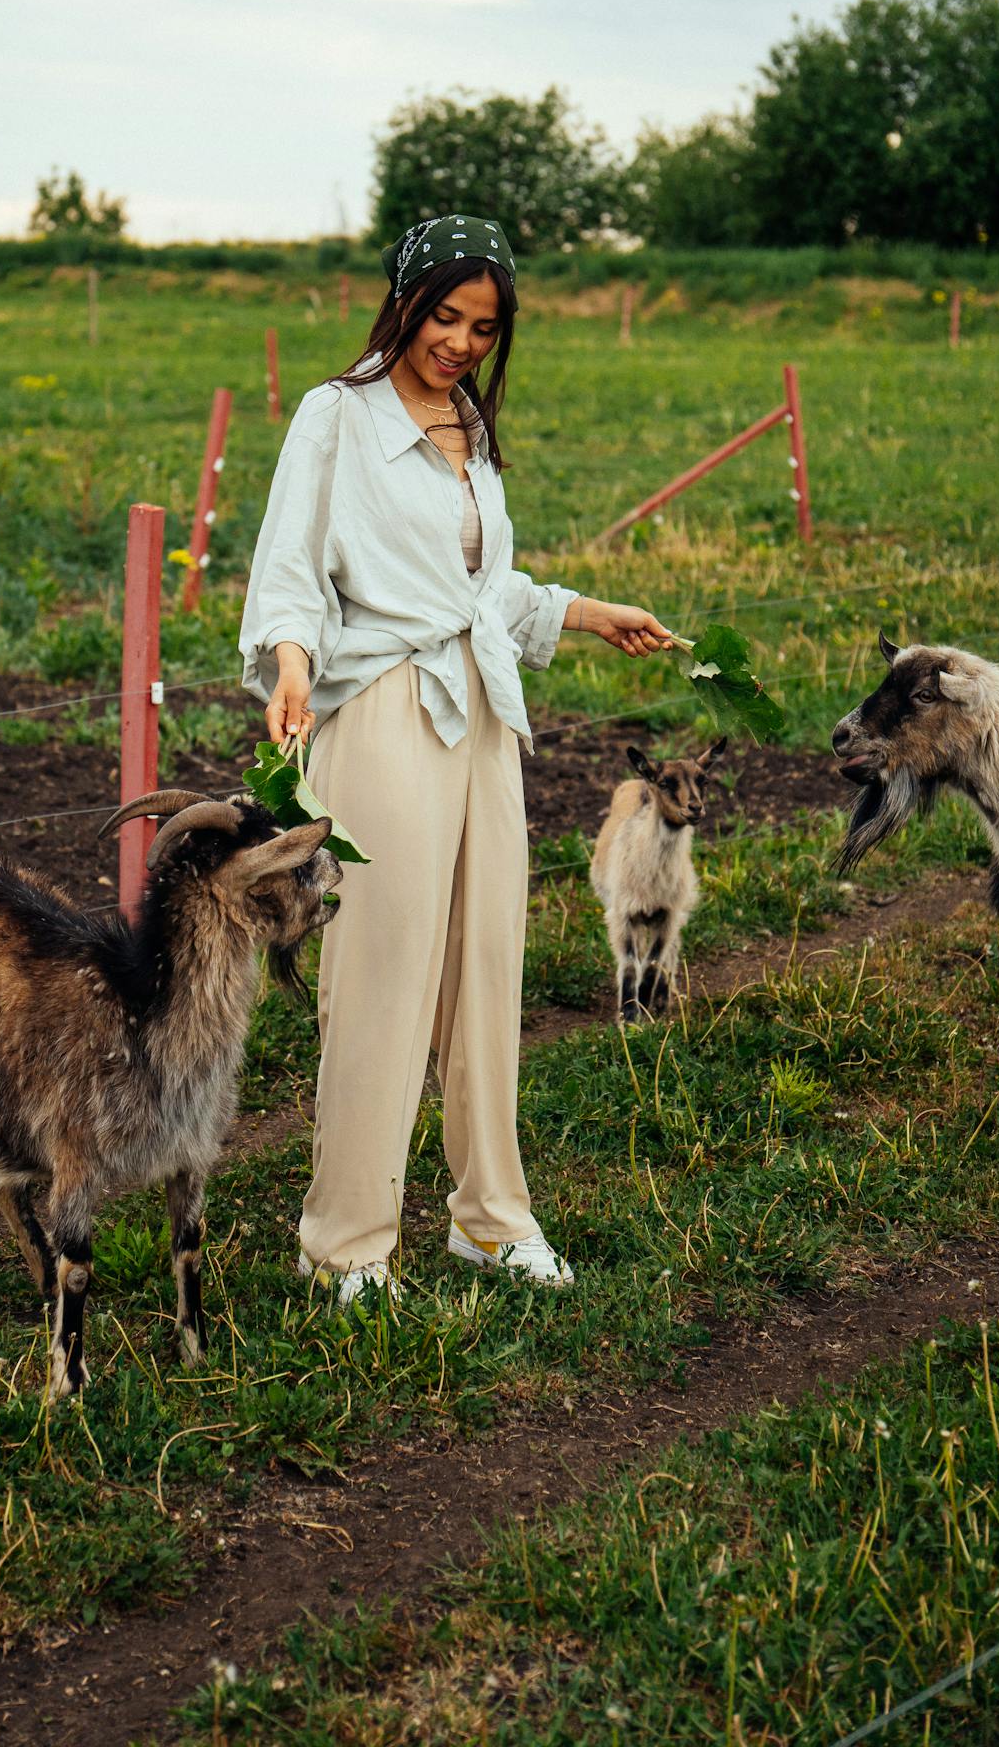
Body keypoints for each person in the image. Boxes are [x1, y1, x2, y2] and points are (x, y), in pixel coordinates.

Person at [239, 213, 673, 1306]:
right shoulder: (334, 418)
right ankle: (344, 1241)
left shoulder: (467, 424)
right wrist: (291, 663)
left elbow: (483, 590)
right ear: (402, 301)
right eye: (445, 317)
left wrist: (583, 611)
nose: (461, 342)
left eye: (483, 326)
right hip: (385, 709)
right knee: (381, 974)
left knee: (486, 967)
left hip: (482, 714)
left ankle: (490, 1221)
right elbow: (289, 568)